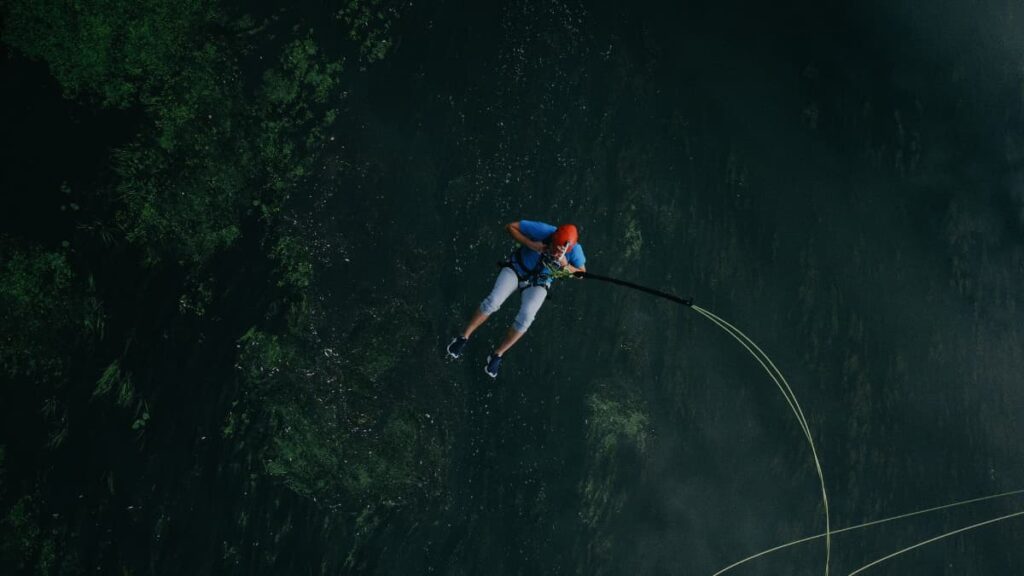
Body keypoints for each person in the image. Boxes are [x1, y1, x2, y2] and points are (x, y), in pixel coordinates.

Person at [447, 220, 586, 378]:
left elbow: (582, 273)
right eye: (554, 248)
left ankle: (497, 355)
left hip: (539, 283)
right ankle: (464, 336)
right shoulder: (543, 231)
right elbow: (510, 226)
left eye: (559, 252)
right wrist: (531, 244)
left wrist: (565, 264)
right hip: (516, 269)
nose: (555, 252)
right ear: (553, 238)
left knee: (527, 317)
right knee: (493, 301)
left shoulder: (575, 251)